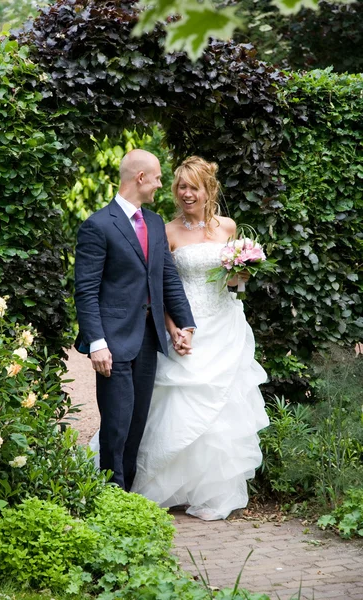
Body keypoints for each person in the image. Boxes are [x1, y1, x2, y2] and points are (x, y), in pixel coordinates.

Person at [131, 156, 269, 521]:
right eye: (181, 186)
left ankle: (207, 488)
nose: (186, 194)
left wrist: (243, 271)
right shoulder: (167, 231)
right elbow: (157, 287)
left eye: (193, 187)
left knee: (223, 408)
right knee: (177, 401)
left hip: (224, 325)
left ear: (209, 190)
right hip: (184, 328)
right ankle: (161, 483)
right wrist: (172, 328)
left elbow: (235, 282)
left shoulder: (228, 228)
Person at [74, 149, 196, 492]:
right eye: (157, 177)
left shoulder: (155, 223)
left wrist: (185, 325)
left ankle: (124, 497)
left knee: (137, 424)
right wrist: (96, 342)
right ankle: (109, 499)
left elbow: (167, 278)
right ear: (140, 177)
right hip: (112, 342)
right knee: (116, 425)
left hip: (148, 337)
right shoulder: (97, 225)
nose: (160, 184)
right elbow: (85, 291)